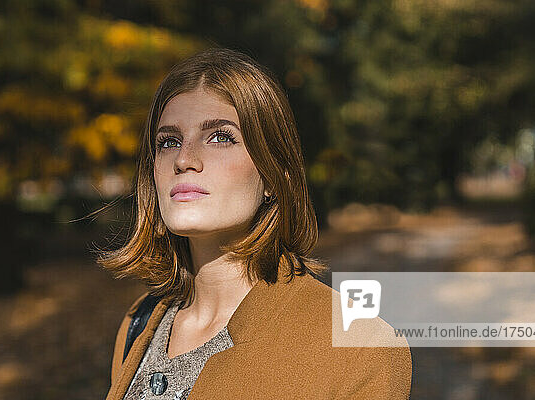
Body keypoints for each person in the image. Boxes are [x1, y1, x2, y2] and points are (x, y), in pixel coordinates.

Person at [100, 47, 412, 400]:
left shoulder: (359, 346)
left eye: (220, 136)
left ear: (272, 175)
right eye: (169, 141)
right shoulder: (138, 323)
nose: (184, 159)